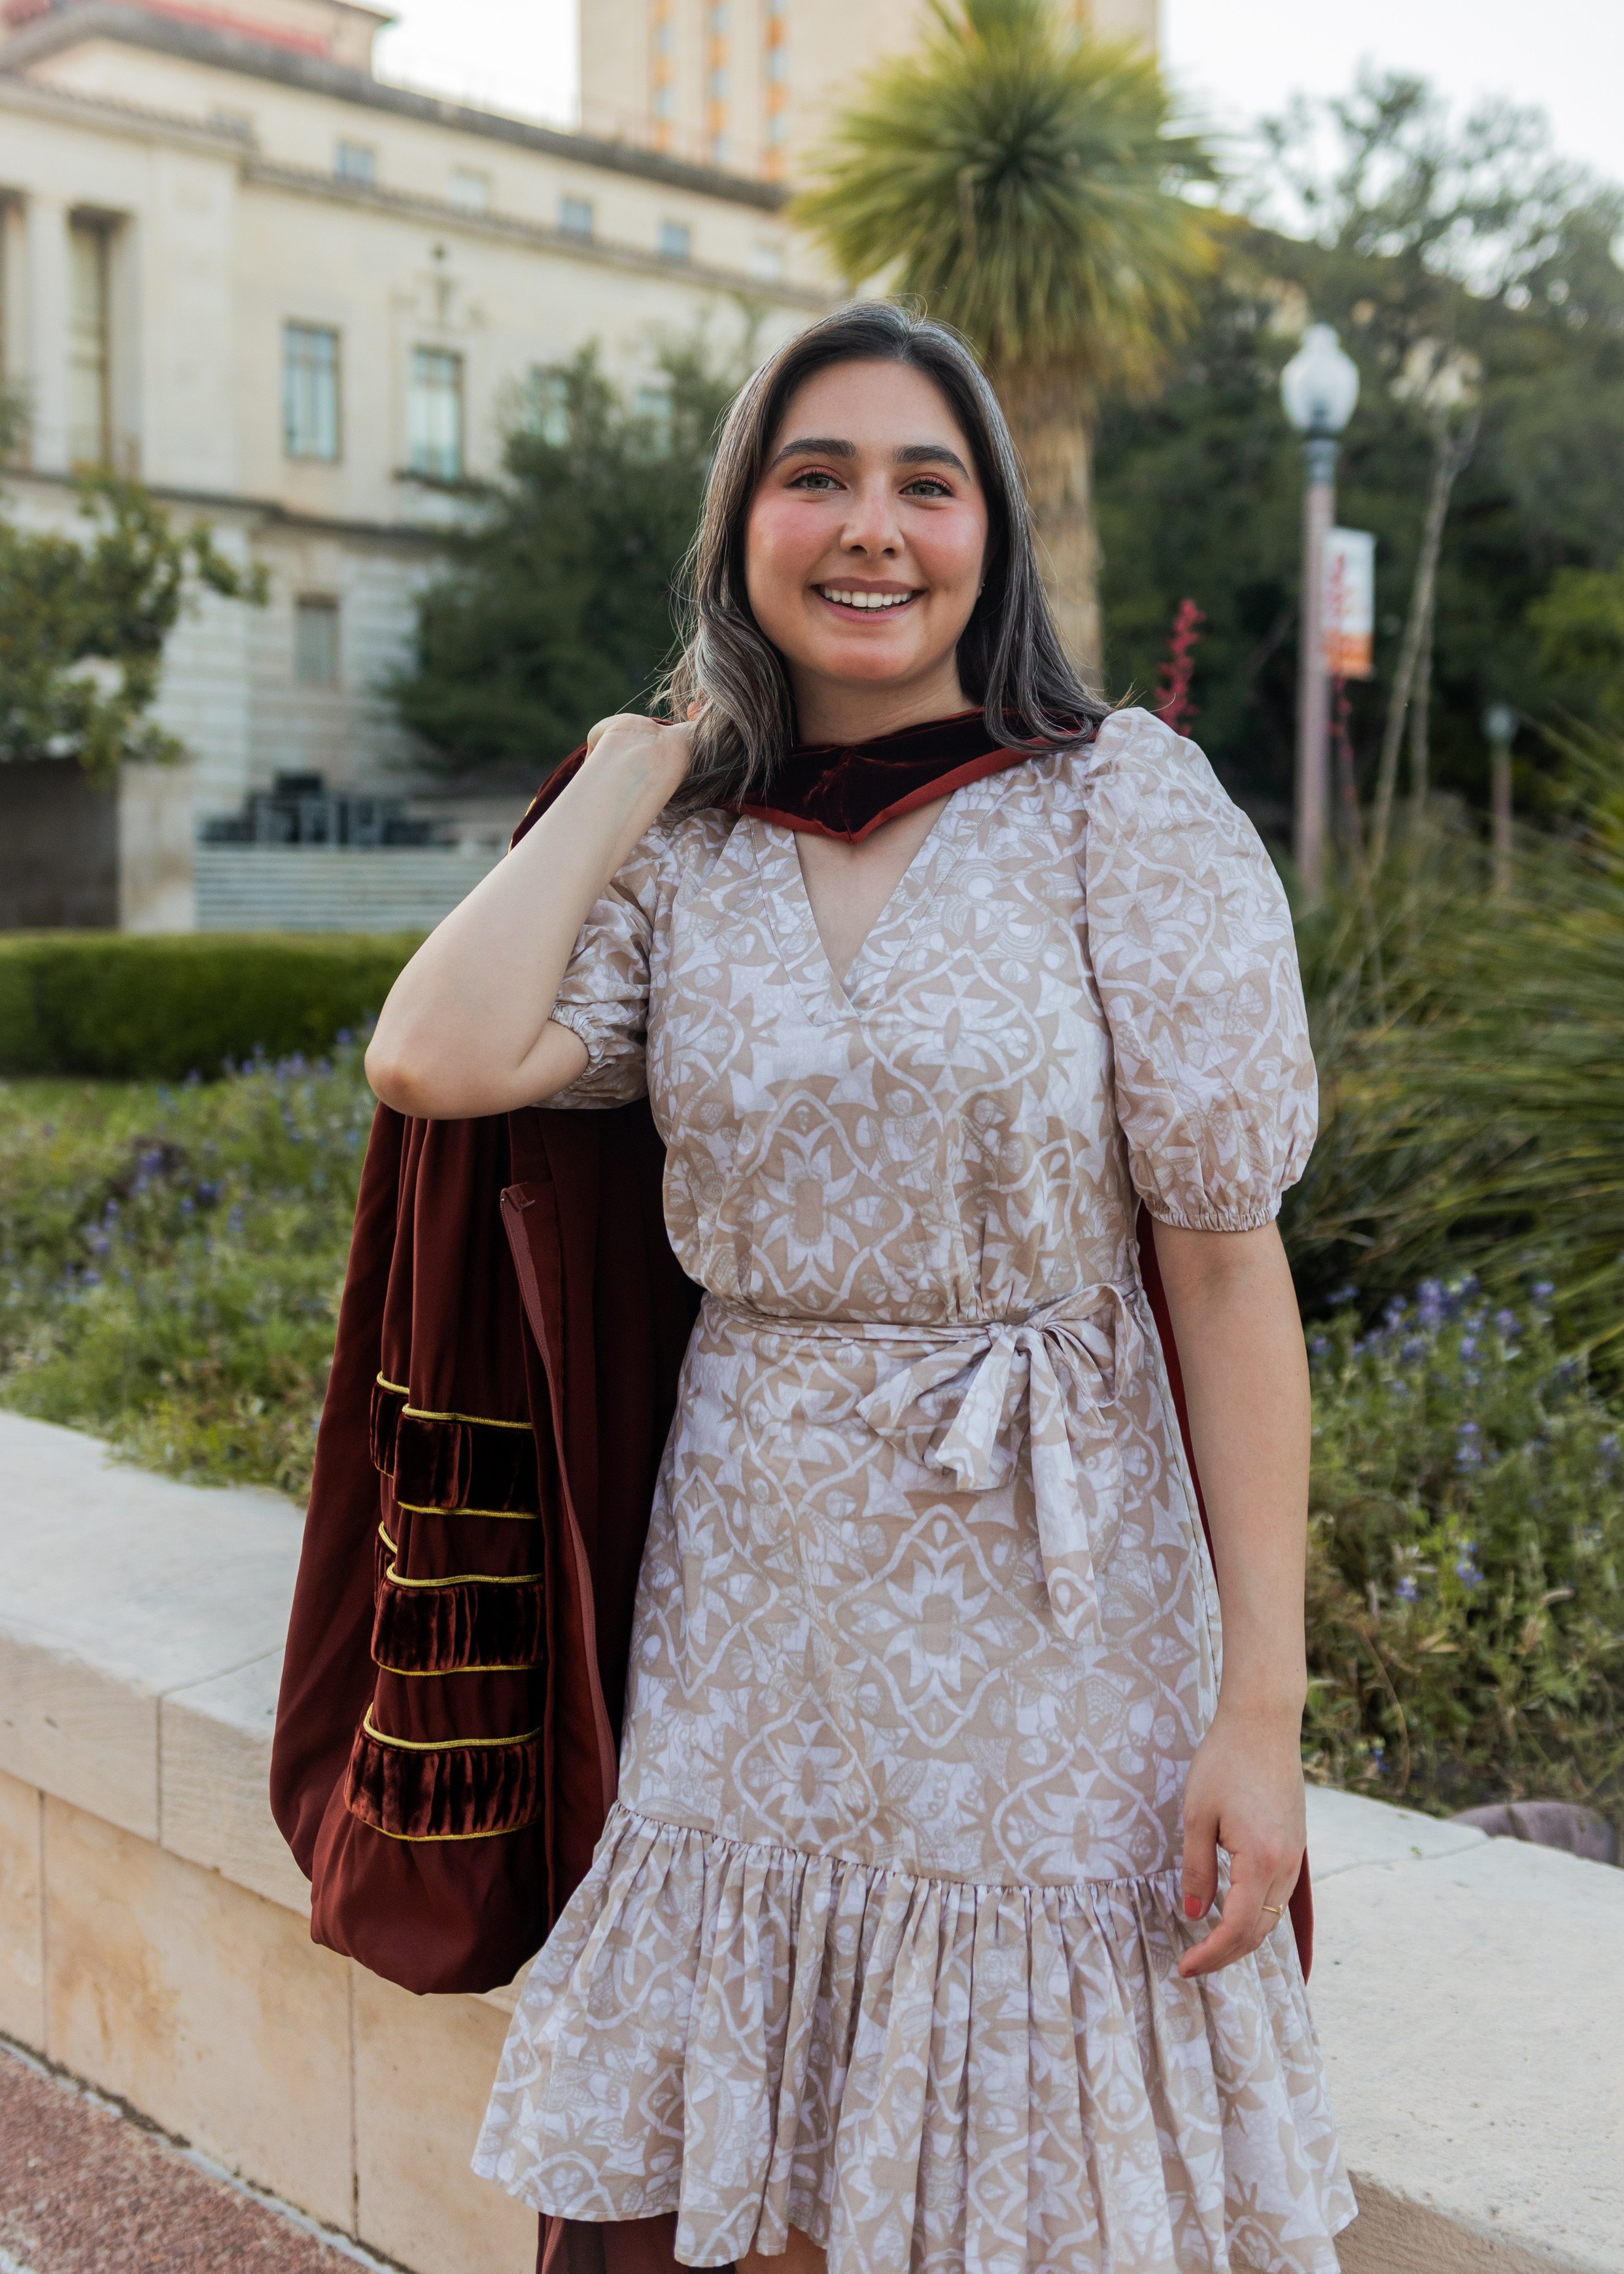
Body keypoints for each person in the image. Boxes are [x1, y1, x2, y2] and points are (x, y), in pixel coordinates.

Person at [364, 303, 1353, 2274]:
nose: (871, 527)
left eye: (928, 479)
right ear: (744, 523)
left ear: (992, 532)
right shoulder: (687, 854)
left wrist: (1264, 1701)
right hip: (759, 1577)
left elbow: (1230, 1271)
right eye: (815, 476)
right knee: (770, 2163)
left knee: (1046, 2151)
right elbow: (435, 1055)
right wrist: (630, 772)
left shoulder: (1113, 807)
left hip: (1058, 1589)